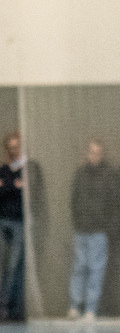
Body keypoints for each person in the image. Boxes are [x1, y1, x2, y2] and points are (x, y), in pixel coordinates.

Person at [0, 131, 44, 322]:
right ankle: (2, 308)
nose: (13, 150)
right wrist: (14, 186)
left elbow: (32, 193)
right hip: (2, 221)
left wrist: (6, 186)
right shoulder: (3, 168)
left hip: (20, 223)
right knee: (2, 267)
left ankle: (11, 308)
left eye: (16, 147)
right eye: (10, 147)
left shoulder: (30, 167)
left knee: (15, 266)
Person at [68, 138, 118, 322]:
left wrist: (109, 226)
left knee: (96, 269)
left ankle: (91, 308)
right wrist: (78, 220)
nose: (94, 156)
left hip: (100, 229)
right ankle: (75, 306)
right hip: (81, 228)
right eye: (91, 152)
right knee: (79, 267)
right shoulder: (80, 174)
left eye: (97, 152)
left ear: (102, 154)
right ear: (87, 153)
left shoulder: (110, 174)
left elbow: (115, 202)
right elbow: (74, 199)